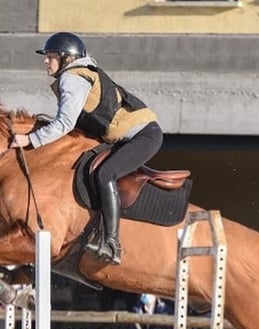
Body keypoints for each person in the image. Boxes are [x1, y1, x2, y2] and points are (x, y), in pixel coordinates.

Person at [10, 31, 162, 265]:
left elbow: (64, 123)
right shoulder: (78, 75)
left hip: (143, 137)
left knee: (104, 174)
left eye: (50, 56)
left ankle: (111, 243)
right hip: (126, 138)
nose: (45, 61)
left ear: (66, 58)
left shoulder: (72, 78)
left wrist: (30, 140)